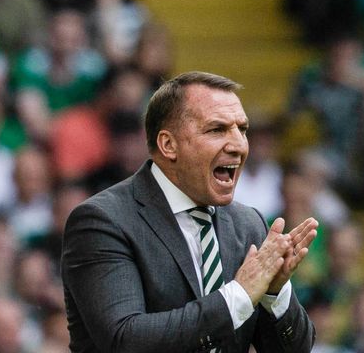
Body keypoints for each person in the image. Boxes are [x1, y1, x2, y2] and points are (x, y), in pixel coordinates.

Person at [61, 71, 317, 352]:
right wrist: (238, 296)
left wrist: (274, 293)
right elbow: (125, 339)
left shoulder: (249, 224)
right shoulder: (103, 221)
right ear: (168, 145)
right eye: (217, 129)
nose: (239, 146)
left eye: (241, 129)